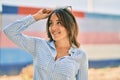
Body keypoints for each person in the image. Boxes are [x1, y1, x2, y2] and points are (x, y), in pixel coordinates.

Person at [3, 6, 88, 80]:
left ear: (70, 25)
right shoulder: (39, 45)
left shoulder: (80, 55)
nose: (53, 28)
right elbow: (9, 31)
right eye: (50, 23)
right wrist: (36, 17)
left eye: (59, 23)